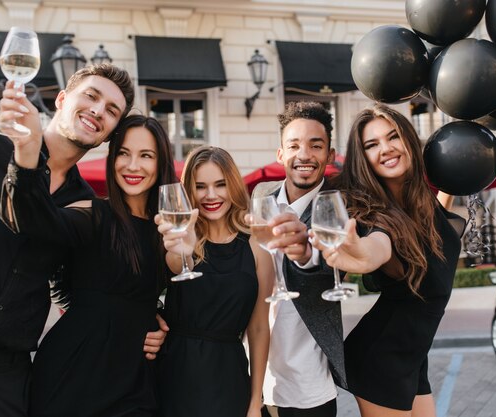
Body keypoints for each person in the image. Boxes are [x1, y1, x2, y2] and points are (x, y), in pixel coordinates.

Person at [0, 64, 162, 417]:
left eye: (112, 110)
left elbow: (72, 287)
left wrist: (149, 321)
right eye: (91, 96)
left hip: (6, 378)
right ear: (62, 98)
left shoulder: (85, 205)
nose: (99, 110)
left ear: (109, 135)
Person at [0, 114, 177, 416]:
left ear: (161, 163)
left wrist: (160, 321)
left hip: (135, 374)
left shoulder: (170, 228)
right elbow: (32, 221)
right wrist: (26, 156)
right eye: (123, 153)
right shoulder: (91, 214)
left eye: (146, 155)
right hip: (74, 369)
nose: (132, 166)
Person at [311, 103, 465, 417]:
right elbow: (377, 247)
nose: (386, 149)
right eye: (371, 144)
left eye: (392, 137)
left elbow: (435, 227)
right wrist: (359, 255)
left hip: (412, 355)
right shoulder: (373, 215)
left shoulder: (427, 204)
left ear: (409, 139)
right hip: (381, 357)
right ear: (363, 157)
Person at [155, 146, 273, 417]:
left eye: (220, 184)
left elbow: (258, 329)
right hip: (173, 372)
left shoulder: (256, 246)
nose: (211, 195)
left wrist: (256, 401)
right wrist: (180, 248)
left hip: (228, 375)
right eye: (200, 186)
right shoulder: (180, 240)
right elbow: (174, 264)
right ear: (189, 191)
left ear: (232, 185)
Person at [253, 101, 347, 417]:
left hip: (309, 385)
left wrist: (305, 254)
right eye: (294, 145)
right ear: (280, 154)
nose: (304, 155)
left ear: (330, 156)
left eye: (315, 146)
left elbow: (331, 268)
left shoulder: (338, 206)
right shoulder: (260, 197)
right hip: (255, 378)